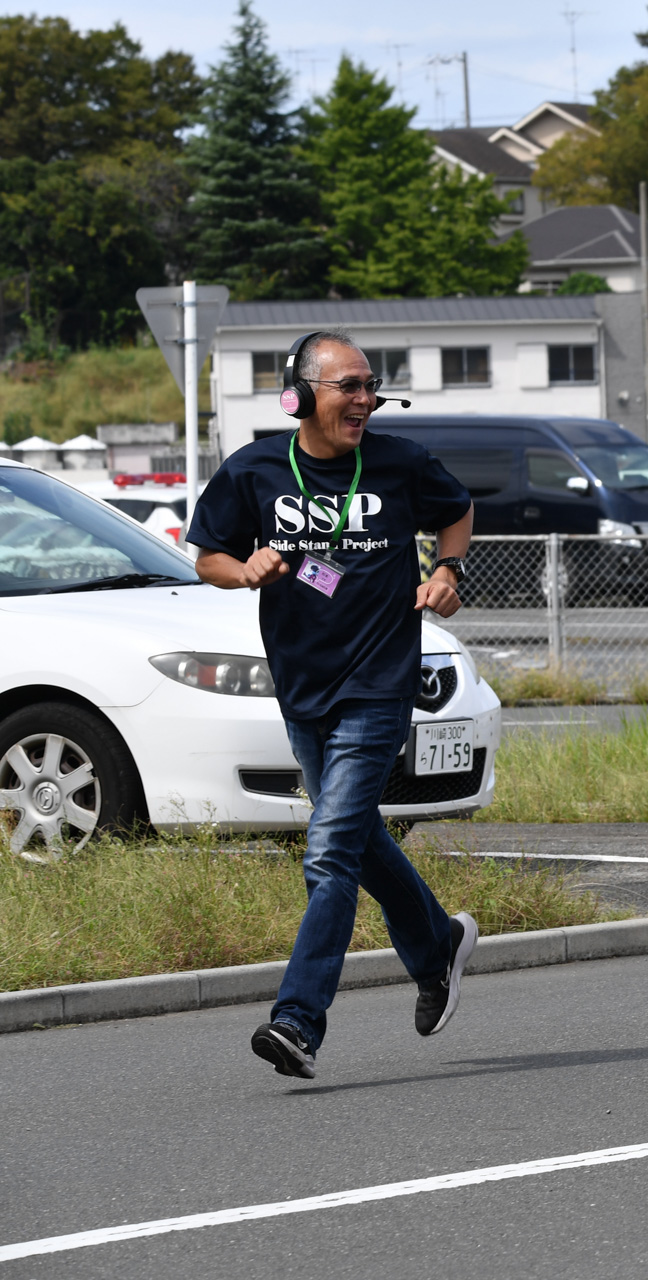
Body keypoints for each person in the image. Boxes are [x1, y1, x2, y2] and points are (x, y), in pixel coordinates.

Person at [188, 330, 480, 1081]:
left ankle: (297, 1020)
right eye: (348, 386)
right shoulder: (254, 470)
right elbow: (208, 555)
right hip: (302, 686)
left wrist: (447, 569)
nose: (364, 400)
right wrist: (243, 568)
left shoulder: (399, 462)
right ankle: (436, 945)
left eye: (370, 386)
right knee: (352, 838)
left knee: (327, 854)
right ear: (300, 395)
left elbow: (457, 511)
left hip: (379, 683)